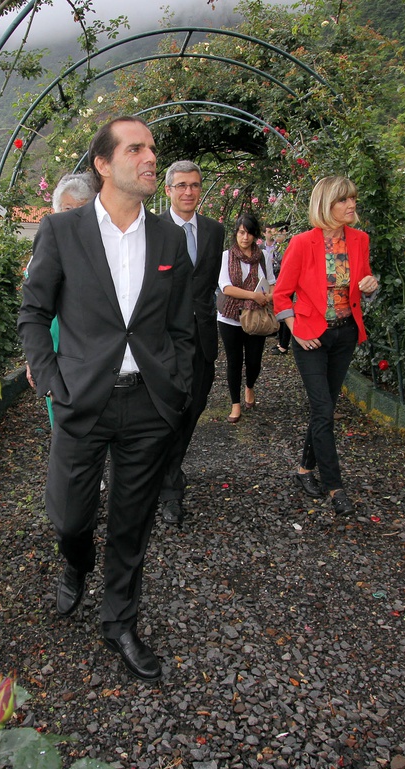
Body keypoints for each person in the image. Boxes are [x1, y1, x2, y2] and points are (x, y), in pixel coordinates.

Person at [18, 117, 195, 682]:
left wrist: (178, 380)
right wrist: (49, 378)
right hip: (81, 400)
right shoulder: (62, 231)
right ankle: (75, 561)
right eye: (136, 148)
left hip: (147, 404)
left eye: (152, 149)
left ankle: (120, 621)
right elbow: (33, 311)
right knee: (71, 516)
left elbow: (181, 323)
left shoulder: (169, 238)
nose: (150, 158)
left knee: (131, 521)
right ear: (103, 164)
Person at [273, 177, 379, 516]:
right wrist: (295, 331)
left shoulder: (360, 240)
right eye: (343, 200)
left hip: (345, 334)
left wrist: (370, 284)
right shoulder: (303, 243)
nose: (351, 205)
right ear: (325, 204)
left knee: (325, 407)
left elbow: (361, 285)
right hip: (311, 337)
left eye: (353, 199)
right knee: (324, 410)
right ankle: (335, 487)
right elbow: (280, 293)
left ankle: (305, 469)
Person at [157, 160, 224, 526]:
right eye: (181, 185)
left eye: (195, 185)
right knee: (168, 411)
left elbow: (206, 285)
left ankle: (169, 470)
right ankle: (169, 488)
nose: (188, 192)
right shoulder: (152, 229)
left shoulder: (214, 231)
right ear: (168, 190)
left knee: (194, 408)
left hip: (202, 337)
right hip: (163, 341)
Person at [26, 173, 97, 426]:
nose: (75, 217)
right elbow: (33, 311)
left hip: (99, 356)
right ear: (55, 212)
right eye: (68, 210)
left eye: (83, 209)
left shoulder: (107, 250)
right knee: (65, 428)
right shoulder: (44, 254)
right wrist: (35, 359)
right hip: (57, 353)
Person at [217, 213, 274, 423]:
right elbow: (226, 287)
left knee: (254, 361)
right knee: (234, 362)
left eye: (249, 233)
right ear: (236, 233)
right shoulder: (226, 256)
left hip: (256, 316)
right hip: (230, 317)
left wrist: (268, 296)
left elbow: (272, 282)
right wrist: (253, 295)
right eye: (241, 232)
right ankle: (235, 404)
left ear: (255, 235)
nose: (245, 237)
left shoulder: (263, 257)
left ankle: (250, 386)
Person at [262, 220, 293, 354]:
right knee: (278, 308)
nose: (275, 235)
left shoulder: (287, 246)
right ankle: (279, 336)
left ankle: (283, 344)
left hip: (285, 282)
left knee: (286, 309)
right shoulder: (270, 247)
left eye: (278, 232)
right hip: (275, 282)